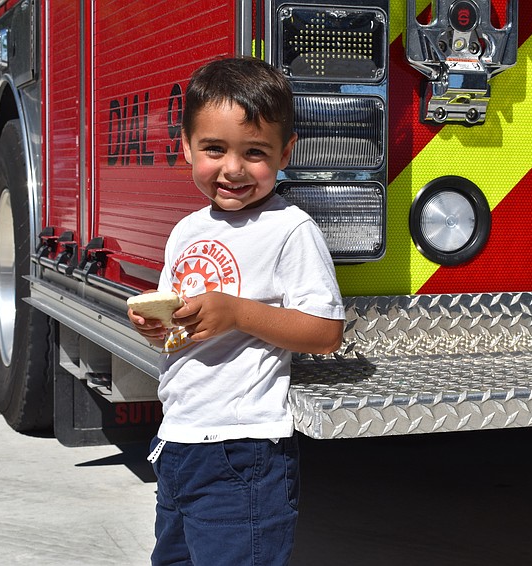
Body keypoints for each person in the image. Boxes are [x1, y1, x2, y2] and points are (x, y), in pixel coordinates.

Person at [128, 56, 345, 566]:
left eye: (254, 152)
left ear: (285, 152)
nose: (233, 168)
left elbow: (325, 332)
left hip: (243, 449)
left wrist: (237, 314)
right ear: (186, 146)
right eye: (214, 149)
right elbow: (181, 328)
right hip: (178, 438)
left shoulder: (290, 230)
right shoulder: (186, 231)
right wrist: (158, 327)